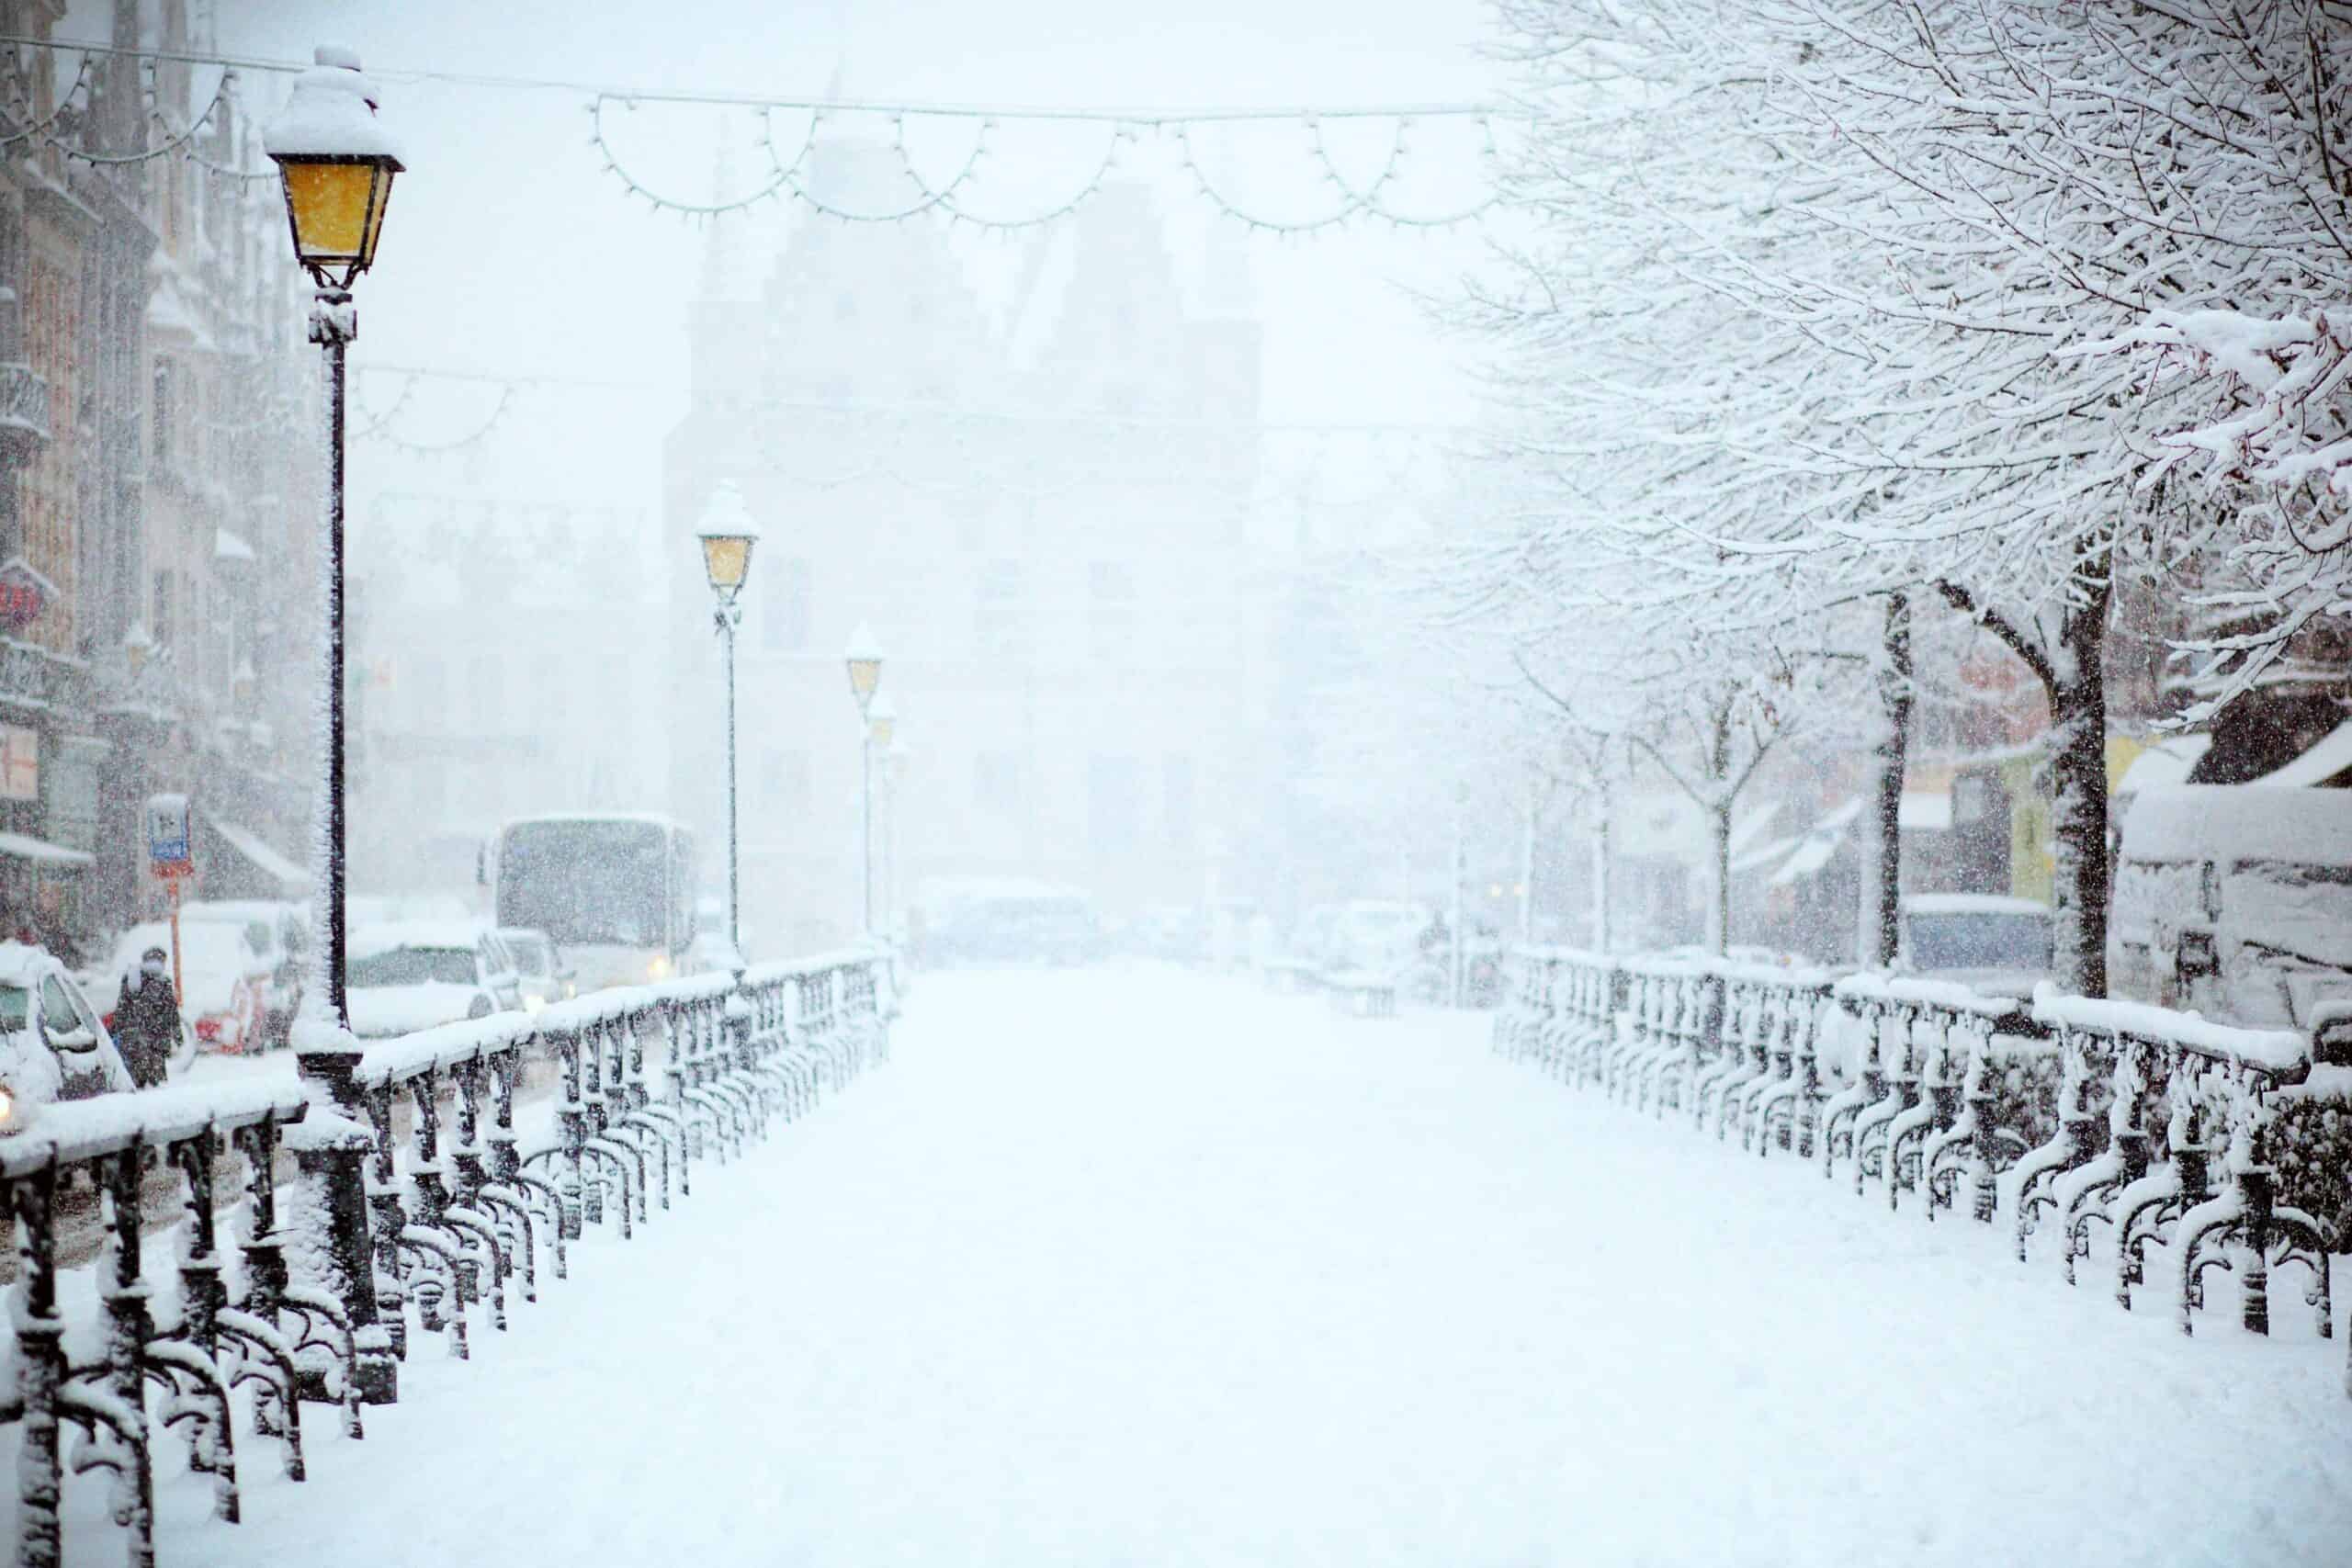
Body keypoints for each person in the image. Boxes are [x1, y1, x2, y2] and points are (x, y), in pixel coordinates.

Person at [113, 946, 179, 1089]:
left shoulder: (130, 978)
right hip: (157, 1042)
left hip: (133, 1041)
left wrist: (117, 1030)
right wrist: (177, 1035)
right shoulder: (164, 982)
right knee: (156, 1085)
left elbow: (121, 1008)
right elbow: (171, 1011)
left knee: (135, 1081)